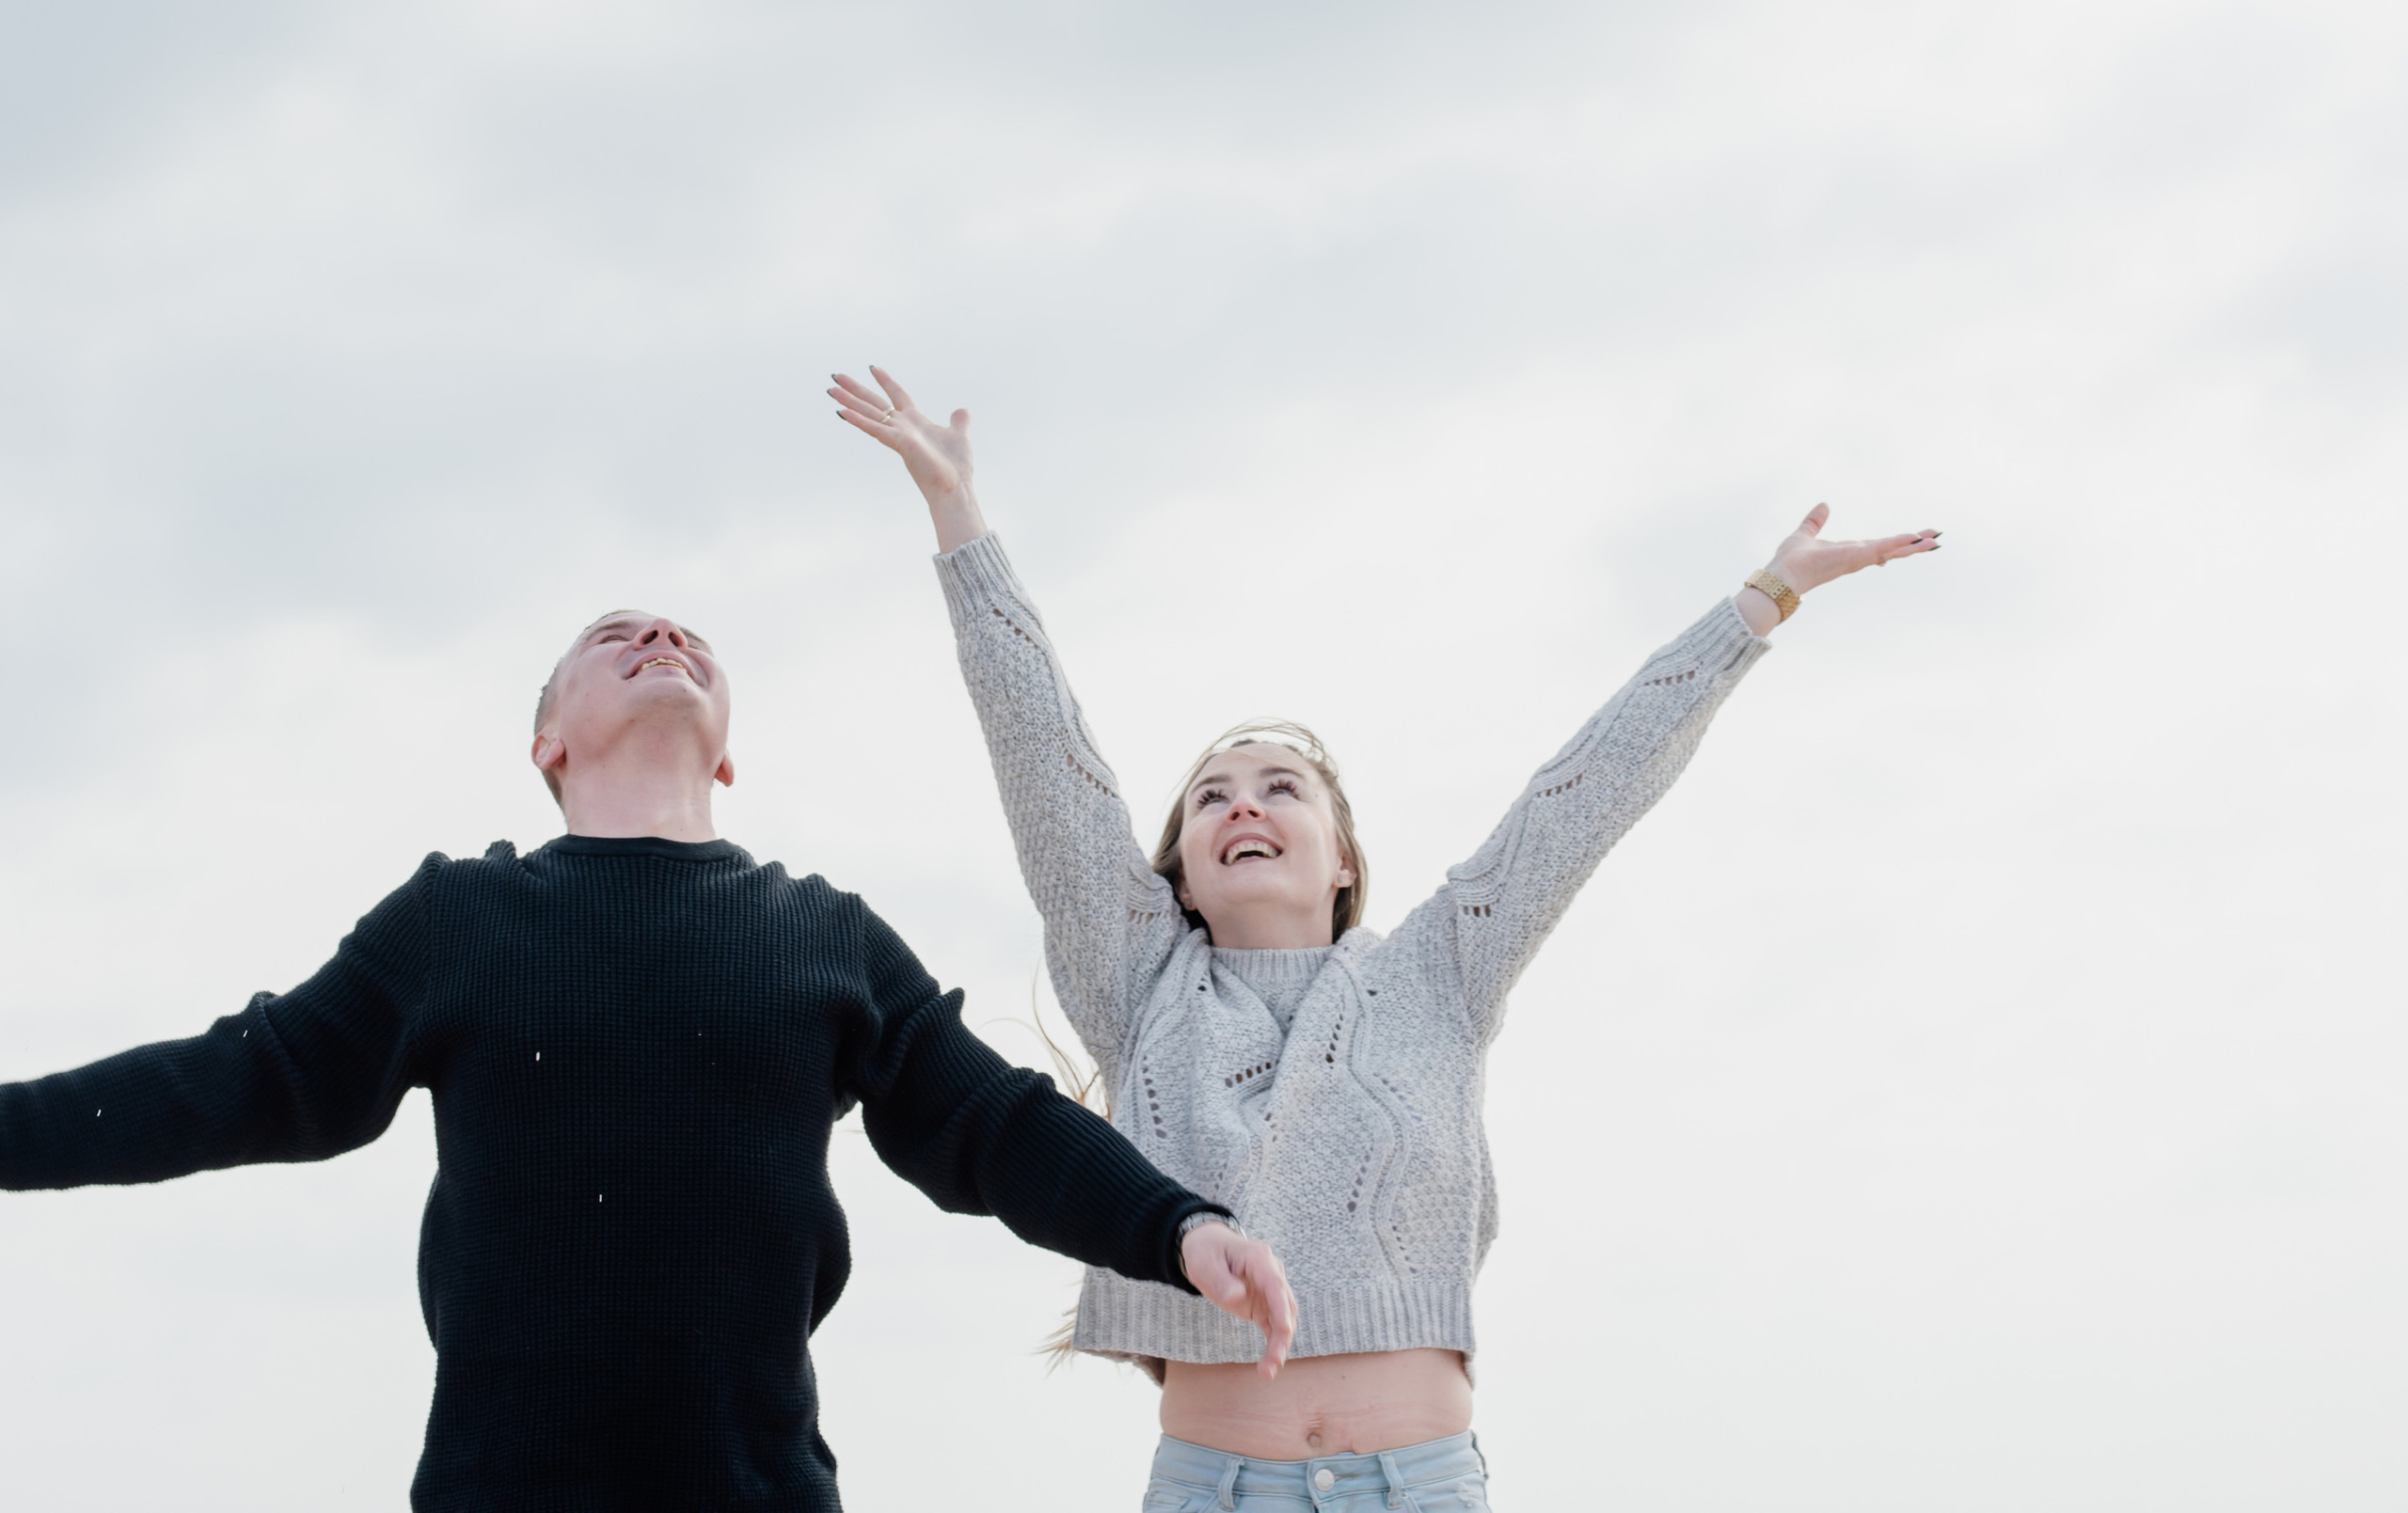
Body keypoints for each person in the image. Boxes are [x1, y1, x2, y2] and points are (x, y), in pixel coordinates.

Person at [833, 365, 1938, 1511]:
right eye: (1210, 797)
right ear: (1176, 873)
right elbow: (1043, 758)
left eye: (1279, 788)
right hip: (1212, 1487)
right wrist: (959, 516)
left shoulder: (1437, 974)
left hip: (1420, 1486)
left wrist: (1759, 602)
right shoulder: (1137, 980)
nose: (1243, 805)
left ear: (1344, 858)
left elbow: (1586, 791)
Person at [0, 602, 1297, 1512]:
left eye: (686, 638)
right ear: (547, 742)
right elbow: (237, 1076)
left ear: (727, 749)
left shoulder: (822, 934)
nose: (659, 636)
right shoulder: (460, 918)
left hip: (759, 1491)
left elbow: (995, 1124)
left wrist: (1174, 1225)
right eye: (612, 637)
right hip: (497, 1493)